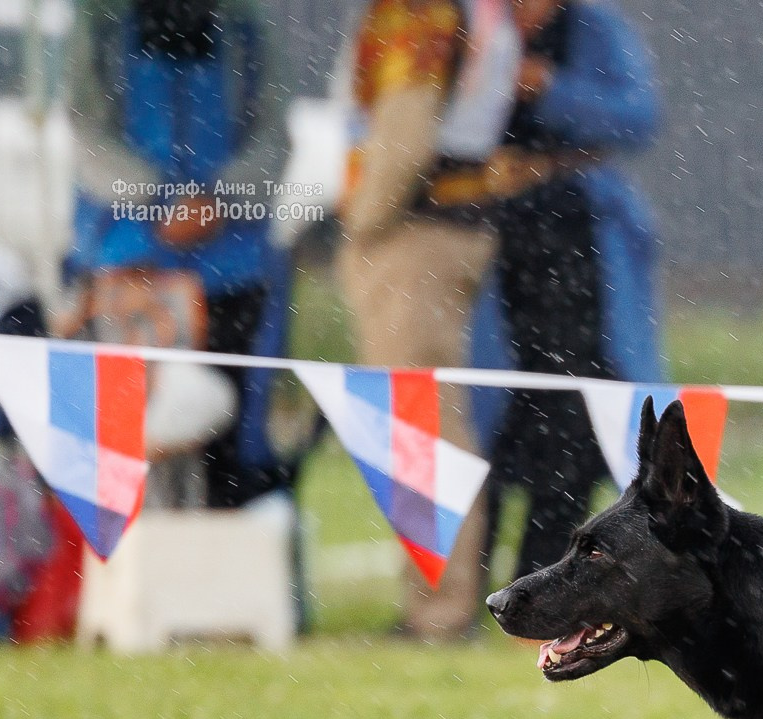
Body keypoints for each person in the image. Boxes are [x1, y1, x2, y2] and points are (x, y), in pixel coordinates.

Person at [66, 0, 291, 507]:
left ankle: (215, 558)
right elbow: (87, 133)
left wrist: (218, 202)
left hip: (231, 271)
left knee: (222, 449)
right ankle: (126, 566)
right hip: (127, 272)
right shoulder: (102, 24)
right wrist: (155, 199)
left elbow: (273, 137)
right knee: (123, 448)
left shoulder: (247, 29)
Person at [472, 0, 664, 580]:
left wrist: (550, 89)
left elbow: (639, 116)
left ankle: (541, 573)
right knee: (486, 410)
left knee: (579, 412)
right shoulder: (468, 23)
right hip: (486, 241)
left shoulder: (595, 29)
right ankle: (462, 584)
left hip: (578, 245)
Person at [338, 0, 508, 640]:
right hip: (441, 225)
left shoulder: (419, 9)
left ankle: (439, 608)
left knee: (418, 424)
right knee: (430, 418)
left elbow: (404, 135)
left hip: (412, 232)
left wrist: (361, 222)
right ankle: (443, 600)